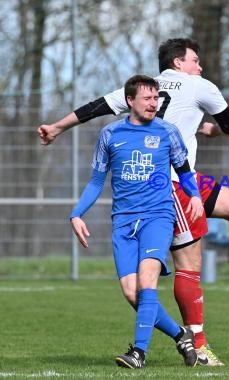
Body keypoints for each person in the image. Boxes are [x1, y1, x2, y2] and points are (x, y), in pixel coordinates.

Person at [38, 38, 229, 365]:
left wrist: (56, 127)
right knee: (189, 265)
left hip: (185, 179)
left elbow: (93, 108)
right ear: (179, 62)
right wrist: (211, 129)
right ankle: (198, 346)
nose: (200, 66)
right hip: (168, 186)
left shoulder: (143, 91)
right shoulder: (199, 85)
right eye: (195, 60)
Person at [70, 75, 202, 369]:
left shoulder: (168, 132)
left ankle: (138, 353)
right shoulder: (110, 134)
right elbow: (95, 182)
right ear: (130, 101)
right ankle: (181, 335)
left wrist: (193, 196)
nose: (153, 104)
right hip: (123, 222)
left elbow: (184, 170)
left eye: (156, 98)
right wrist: (77, 213)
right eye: (147, 98)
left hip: (158, 216)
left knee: (147, 281)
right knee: (133, 293)